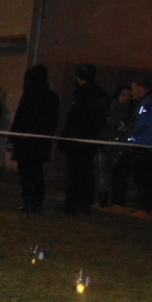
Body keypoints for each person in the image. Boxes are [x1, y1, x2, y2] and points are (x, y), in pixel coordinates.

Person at [110, 76, 152, 218]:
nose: (132, 92)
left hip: (142, 145)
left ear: (141, 87)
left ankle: (132, 207)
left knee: (129, 172)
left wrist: (129, 134)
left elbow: (143, 122)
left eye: (133, 88)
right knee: (141, 175)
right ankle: (139, 207)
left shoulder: (148, 103)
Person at [57, 63, 109, 214]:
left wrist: (65, 135)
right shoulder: (101, 94)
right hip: (92, 139)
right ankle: (85, 203)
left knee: (74, 172)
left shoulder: (82, 93)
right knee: (87, 171)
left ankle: (72, 203)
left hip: (77, 139)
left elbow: (74, 117)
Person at [8, 64, 60, 213]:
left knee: (26, 173)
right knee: (37, 173)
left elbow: (20, 120)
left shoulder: (29, 96)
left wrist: (12, 140)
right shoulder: (52, 97)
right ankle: (37, 203)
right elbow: (53, 122)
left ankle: (28, 202)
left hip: (26, 143)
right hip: (41, 143)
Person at [96, 86, 133, 208]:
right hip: (106, 145)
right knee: (104, 174)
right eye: (123, 94)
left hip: (120, 147)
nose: (126, 97)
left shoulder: (132, 112)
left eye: (128, 95)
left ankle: (117, 201)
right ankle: (103, 200)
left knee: (118, 174)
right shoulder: (109, 108)